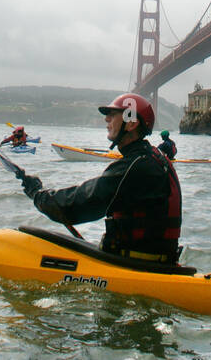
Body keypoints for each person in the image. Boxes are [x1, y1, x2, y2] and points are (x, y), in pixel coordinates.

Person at [19, 93, 182, 263]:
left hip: (139, 265)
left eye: (113, 115)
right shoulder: (151, 158)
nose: (106, 120)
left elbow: (78, 204)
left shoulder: (136, 166)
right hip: (152, 261)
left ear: (132, 122)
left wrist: (37, 194)